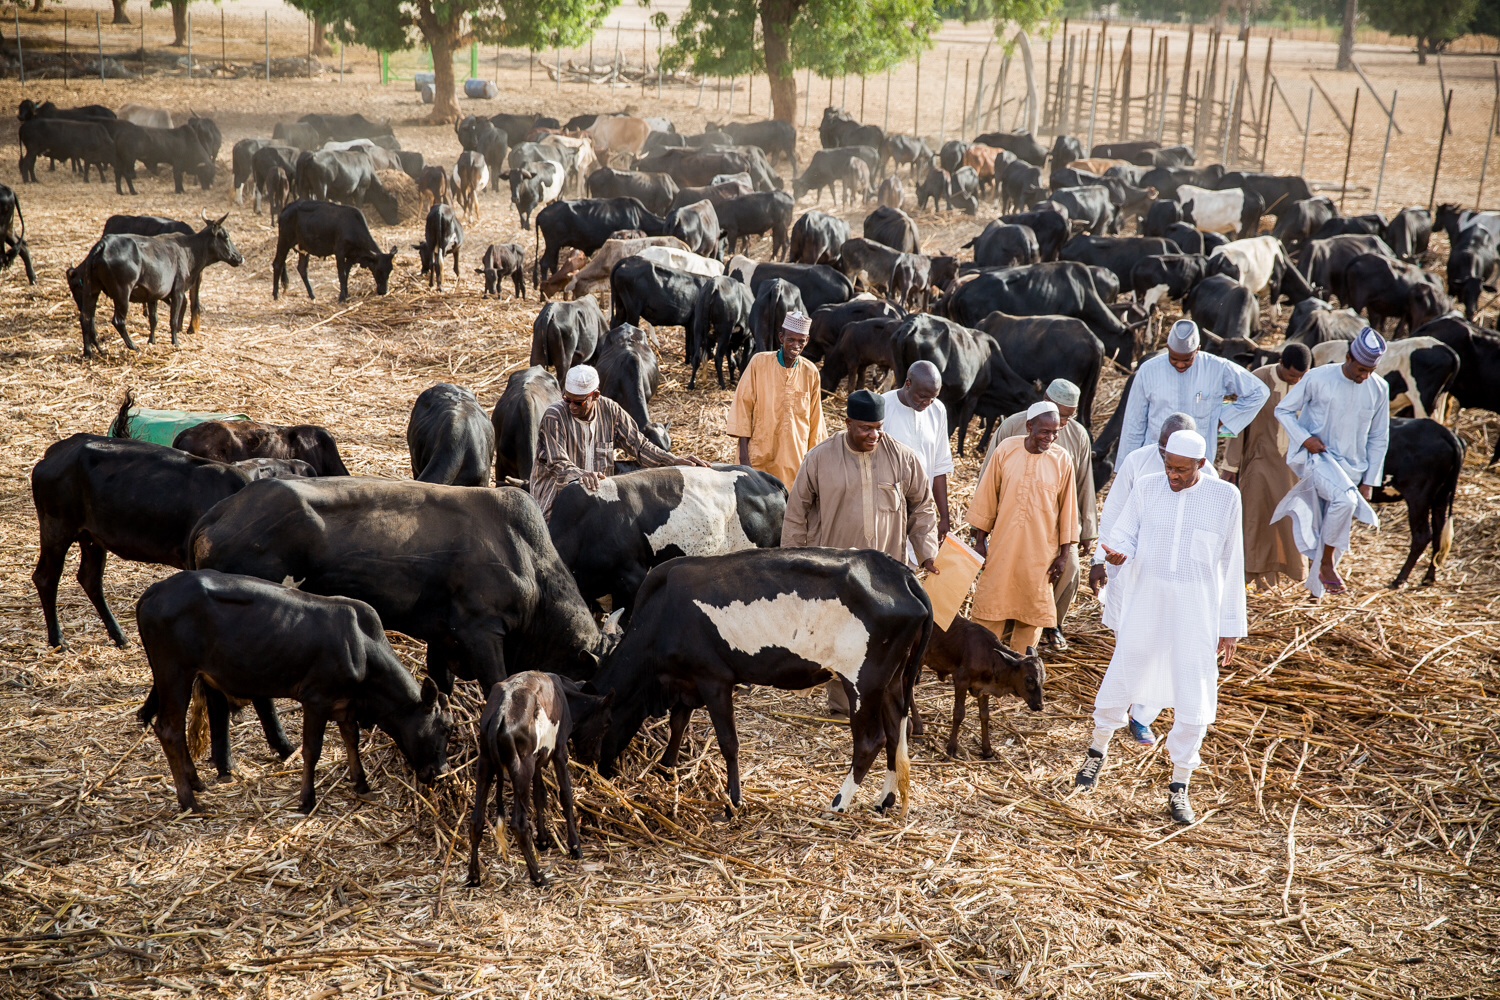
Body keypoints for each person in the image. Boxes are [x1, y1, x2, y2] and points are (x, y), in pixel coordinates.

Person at [1076, 429, 1246, 826]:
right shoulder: (1149, 485)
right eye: (1169, 466)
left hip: (1196, 612)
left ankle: (1180, 786)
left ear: (1202, 465)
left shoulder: (1225, 497)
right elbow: (1123, 535)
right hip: (1147, 603)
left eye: (1182, 470)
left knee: (1194, 694)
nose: (1173, 475)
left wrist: (1230, 624)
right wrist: (1115, 556)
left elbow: (1231, 561)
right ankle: (1096, 755)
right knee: (1123, 673)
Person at [782, 389, 940, 714]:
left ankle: (882, 701)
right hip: (837, 573)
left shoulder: (902, 457)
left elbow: (923, 506)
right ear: (848, 423)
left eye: (879, 427)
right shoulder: (819, 458)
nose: (875, 435)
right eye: (866, 428)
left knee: (884, 636)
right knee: (841, 636)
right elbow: (796, 512)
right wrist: (794, 564)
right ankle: (842, 706)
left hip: (886, 570)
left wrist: (927, 551)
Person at [1088, 412, 1217, 746]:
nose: (1167, 463)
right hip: (1133, 573)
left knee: (1169, 646)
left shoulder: (1211, 481)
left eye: (1176, 461)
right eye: (1163, 452)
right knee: (1132, 643)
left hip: (1179, 582)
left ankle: (1142, 717)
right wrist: (1103, 559)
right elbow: (1115, 511)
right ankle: (1116, 709)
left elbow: (1214, 543)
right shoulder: (1137, 462)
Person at [1272, 327, 1391, 597]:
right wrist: (1304, 439)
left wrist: (1370, 481)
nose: (1365, 376)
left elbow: (1379, 437)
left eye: (1370, 371)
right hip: (1318, 459)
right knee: (1345, 502)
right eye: (1361, 369)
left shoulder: (1379, 388)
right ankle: (1325, 564)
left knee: (1333, 522)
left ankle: (1316, 594)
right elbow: (1284, 410)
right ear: (1348, 358)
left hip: (1352, 468)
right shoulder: (1318, 377)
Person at [982, 378, 1096, 652]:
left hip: (1052, 527)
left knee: (1069, 570)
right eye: (1058, 414)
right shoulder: (1012, 427)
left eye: (1068, 417)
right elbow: (989, 477)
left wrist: (1087, 531)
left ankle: (1052, 624)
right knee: (1004, 571)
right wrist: (983, 530)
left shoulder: (1077, 436)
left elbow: (1083, 484)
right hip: (1010, 520)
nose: (1061, 424)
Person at [967, 401, 1079, 655]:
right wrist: (980, 541)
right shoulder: (1006, 450)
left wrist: (1063, 556)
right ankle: (984, 666)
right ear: (1030, 426)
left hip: (1040, 554)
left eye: (1055, 433)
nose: (1050, 438)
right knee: (990, 608)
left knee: (1031, 616)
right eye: (1044, 432)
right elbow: (987, 498)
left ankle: (1018, 671)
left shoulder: (1062, 460)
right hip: (1003, 547)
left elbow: (1068, 511)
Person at [530, 364, 708, 520]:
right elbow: (558, 462)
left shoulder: (611, 410)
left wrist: (673, 461)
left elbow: (639, 445)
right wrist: (580, 475)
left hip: (596, 499)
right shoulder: (555, 416)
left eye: (578, 402)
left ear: (595, 395)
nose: (571, 407)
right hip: (556, 501)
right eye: (567, 400)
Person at [1221, 343, 1310, 590]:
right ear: (1281, 364)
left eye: (1301, 376)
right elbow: (1236, 425)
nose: (1296, 380)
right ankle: (1255, 578)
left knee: (1289, 523)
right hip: (1258, 463)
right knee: (1256, 520)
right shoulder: (1257, 380)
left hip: (1294, 469)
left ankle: (1285, 574)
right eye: (1292, 375)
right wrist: (1231, 464)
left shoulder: (1309, 385)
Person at [1116, 319, 1270, 460]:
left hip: (1197, 460)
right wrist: (1125, 467)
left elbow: (1258, 392)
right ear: (1168, 348)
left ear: (1198, 349)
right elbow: (1134, 423)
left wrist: (1224, 419)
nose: (1180, 365)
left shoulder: (1217, 368)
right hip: (1155, 458)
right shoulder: (1148, 370)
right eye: (1174, 359)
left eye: (1187, 359)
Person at [727, 311, 825, 488]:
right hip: (759, 454)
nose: (796, 345)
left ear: (807, 341)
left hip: (795, 457)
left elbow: (816, 420)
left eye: (801, 341)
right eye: (791, 340)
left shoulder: (810, 372)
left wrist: (813, 462)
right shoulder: (759, 363)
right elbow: (743, 408)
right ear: (781, 337)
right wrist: (744, 457)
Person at [881, 360, 954, 556]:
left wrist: (944, 517)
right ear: (908, 383)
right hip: (886, 507)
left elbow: (939, 466)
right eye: (923, 397)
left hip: (920, 508)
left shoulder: (937, 410)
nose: (927, 403)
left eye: (933, 398)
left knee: (912, 564)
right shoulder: (884, 405)